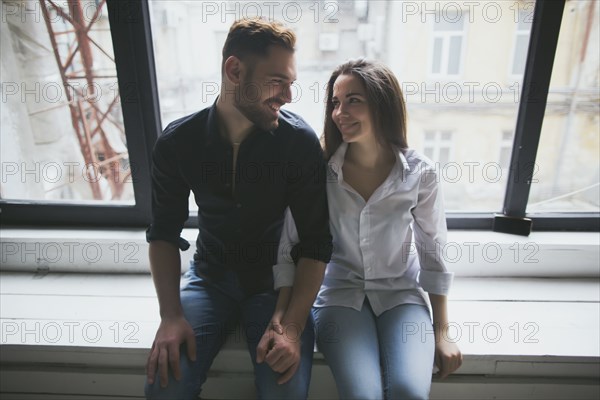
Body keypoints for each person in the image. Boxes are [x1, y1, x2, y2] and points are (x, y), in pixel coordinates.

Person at [144, 18, 332, 400]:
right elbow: (163, 233)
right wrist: (170, 315)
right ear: (234, 70)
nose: (288, 96)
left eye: (291, 83)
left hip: (276, 288)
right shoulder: (178, 143)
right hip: (208, 279)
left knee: (285, 392)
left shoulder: (299, 143)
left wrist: (293, 327)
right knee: (165, 387)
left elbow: (316, 243)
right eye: (278, 81)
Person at [274, 59, 462, 399]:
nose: (339, 112)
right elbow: (290, 246)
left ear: (382, 104)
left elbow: (433, 252)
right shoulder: (319, 171)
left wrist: (442, 331)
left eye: (353, 100)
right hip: (338, 297)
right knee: (363, 396)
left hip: (401, 296)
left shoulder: (420, 173)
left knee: (410, 393)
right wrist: (284, 318)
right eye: (335, 102)